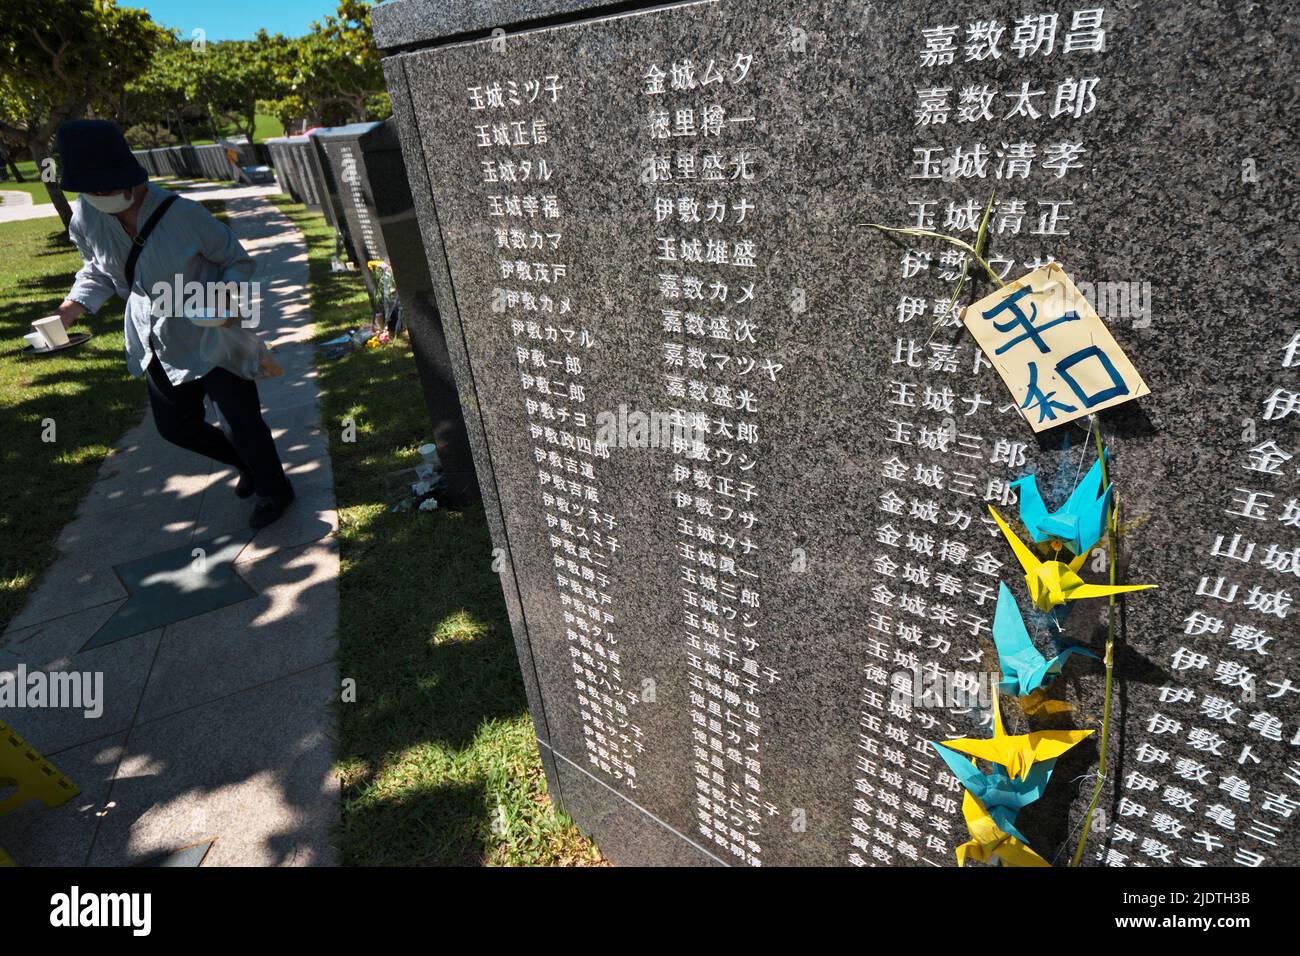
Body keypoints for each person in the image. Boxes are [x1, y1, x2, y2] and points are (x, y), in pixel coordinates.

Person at [46, 120, 294, 528]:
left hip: (211, 326)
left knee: (241, 418)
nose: (102, 196)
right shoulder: (85, 218)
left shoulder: (183, 215)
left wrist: (226, 296)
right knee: (175, 426)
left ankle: (274, 490)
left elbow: (238, 259)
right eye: (93, 190)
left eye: (107, 186)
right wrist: (70, 308)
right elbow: (96, 270)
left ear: (127, 176)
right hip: (153, 334)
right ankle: (244, 464)